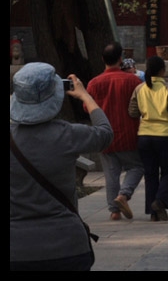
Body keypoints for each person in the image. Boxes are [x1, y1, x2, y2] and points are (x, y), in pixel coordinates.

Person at [10, 61, 113, 272]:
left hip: (17, 250)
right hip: (68, 246)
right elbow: (105, 133)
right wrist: (86, 97)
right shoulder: (68, 134)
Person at [127, 55, 168, 221]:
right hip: (164, 136)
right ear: (163, 70)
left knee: (151, 174)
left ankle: (154, 213)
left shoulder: (139, 89)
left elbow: (132, 112)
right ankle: (160, 200)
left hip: (144, 136)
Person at [86, 41, 144, 221]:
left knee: (111, 174)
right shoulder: (133, 81)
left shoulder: (94, 83)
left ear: (103, 59)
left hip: (104, 135)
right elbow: (141, 106)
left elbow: (87, 107)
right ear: (121, 59)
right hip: (128, 133)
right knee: (137, 166)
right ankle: (124, 194)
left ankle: (114, 211)